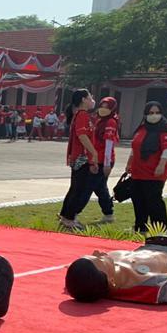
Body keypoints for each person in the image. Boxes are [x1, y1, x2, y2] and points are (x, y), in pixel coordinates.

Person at [65, 236, 167, 305]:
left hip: (155, 246)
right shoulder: (144, 284)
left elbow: (78, 280)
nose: (97, 252)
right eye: (100, 259)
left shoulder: (89, 276)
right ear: (111, 280)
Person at [124, 101, 167, 233]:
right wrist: (129, 163)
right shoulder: (141, 128)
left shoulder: (165, 129)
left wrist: (161, 164)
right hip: (138, 170)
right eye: (151, 113)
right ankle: (140, 226)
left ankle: (160, 229)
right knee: (138, 199)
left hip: (155, 171)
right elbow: (135, 147)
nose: (154, 115)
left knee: (154, 201)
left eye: (157, 112)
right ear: (145, 114)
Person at [57, 89, 98, 232]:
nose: (92, 100)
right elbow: (82, 136)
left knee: (75, 187)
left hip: (81, 156)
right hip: (82, 157)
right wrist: (93, 152)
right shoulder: (82, 115)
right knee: (79, 188)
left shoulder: (82, 115)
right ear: (83, 99)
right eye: (90, 97)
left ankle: (65, 216)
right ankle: (69, 218)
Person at [90, 97, 119, 224]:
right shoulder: (100, 121)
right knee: (99, 187)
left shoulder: (111, 122)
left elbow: (109, 143)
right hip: (97, 158)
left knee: (96, 186)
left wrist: (107, 164)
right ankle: (108, 214)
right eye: (102, 106)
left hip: (105, 159)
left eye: (107, 107)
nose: (103, 109)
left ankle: (109, 213)